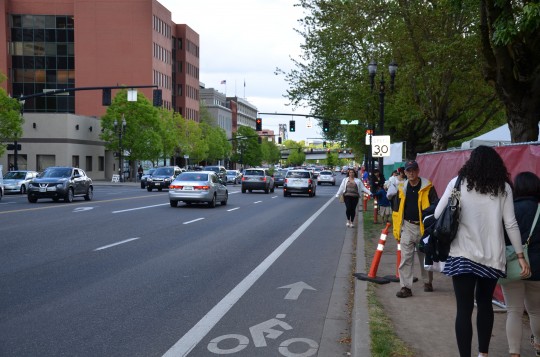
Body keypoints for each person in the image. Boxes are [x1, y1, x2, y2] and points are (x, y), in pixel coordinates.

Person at [434, 146, 530, 357]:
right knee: (485, 303)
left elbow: (438, 212)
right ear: (497, 165)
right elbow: (511, 224)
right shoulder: (503, 187)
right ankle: (483, 353)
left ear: (471, 162)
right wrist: (520, 255)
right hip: (492, 256)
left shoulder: (457, 183)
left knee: (464, 308)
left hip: (461, 254)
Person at [500, 171, 540, 357]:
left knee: (514, 311)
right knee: (536, 311)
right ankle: (538, 345)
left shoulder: (509, 209)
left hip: (512, 265)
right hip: (538, 268)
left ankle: (514, 353)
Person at [387, 160, 438, 297]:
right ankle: (405, 287)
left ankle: (427, 282)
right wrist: (397, 229)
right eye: (408, 171)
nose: (411, 173)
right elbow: (396, 210)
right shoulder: (402, 188)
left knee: (425, 256)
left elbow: (435, 206)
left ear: (418, 171)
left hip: (423, 227)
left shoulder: (428, 187)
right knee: (406, 258)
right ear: (405, 172)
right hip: (407, 226)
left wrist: (431, 227)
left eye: (413, 170)